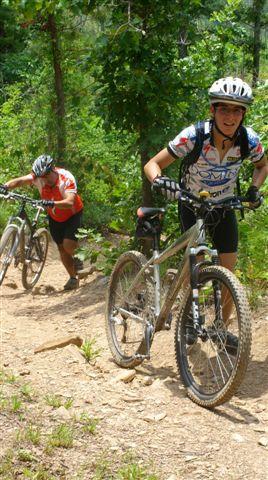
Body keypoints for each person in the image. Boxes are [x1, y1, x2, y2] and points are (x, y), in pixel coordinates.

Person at [144, 76, 268, 345]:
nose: (230, 116)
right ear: (213, 110)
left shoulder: (249, 141)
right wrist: (159, 181)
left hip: (224, 205)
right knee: (196, 263)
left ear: (243, 114)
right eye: (224, 108)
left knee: (228, 271)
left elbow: (262, 166)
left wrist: (255, 189)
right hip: (191, 203)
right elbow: (153, 164)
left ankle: (220, 327)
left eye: (237, 110)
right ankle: (188, 320)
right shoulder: (193, 136)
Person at [1, 155, 84, 290]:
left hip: (73, 215)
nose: (43, 179)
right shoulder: (38, 177)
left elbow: (70, 202)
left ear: (53, 170)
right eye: (41, 176)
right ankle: (73, 278)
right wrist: (6, 186)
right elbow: (20, 181)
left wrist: (52, 203)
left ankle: (78, 255)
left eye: (46, 176)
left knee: (68, 246)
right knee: (62, 249)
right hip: (55, 216)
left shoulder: (66, 178)